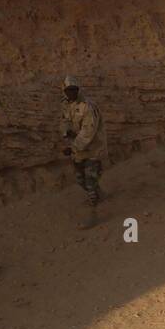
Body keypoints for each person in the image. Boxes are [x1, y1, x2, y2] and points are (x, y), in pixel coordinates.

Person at [60, 75, 108, 229]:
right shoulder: (67, 105)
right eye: (68, 90)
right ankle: (98, 193)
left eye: (74, 89)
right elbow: (64, 121)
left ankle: (92, 215)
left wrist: (72, 147)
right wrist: (66, 132)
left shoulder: (88, 106)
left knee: (90, 182)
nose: (72, 92)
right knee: (80, 179)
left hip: (93, 148)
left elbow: (88, 132)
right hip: (79, 150)